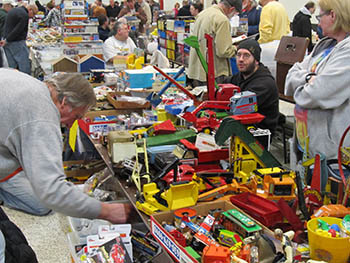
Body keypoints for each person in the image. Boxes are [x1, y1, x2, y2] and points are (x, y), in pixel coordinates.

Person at [0, 69, 132, 261]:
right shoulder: (42, 114)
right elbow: (52, 190)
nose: (72, 126)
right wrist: (107, 211)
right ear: (64, 103)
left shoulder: (32, 86)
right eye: (77, 117)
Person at [285, 0, 350, 163]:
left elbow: (317, 93)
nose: (318, 21)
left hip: (330, 155)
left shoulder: (347, 52)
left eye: (320, 15)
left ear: (333, 15)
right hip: (305, 145)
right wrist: (308, 78)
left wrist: (300, 87)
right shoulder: (324, 44)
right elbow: (290, 76)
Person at [222, 39, 279, 135]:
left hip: (259, 131)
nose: (241, 59)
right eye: (239, 55)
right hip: (241, 125)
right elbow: (223, 87)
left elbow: (239, 108)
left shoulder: (265, 84)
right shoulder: (240, 77)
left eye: (246, 55)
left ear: (256, 60)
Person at [187, 0, 242, 87]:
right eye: (235, 13)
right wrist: (237, 48)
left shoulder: (203, 14)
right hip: (214, 72)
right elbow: (223, 51)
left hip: (198, 70)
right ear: (231, 9)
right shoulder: (222, 20)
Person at [0, 3, 38, 75]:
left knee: (12, 67)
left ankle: (13, 81)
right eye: (33, 14)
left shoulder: (13, 10)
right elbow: (18, 30)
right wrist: (7, 40)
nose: (33, 17)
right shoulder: (24, 15)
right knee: (24, 66)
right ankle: (26, 82)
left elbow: (7, 26)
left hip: (7, 41)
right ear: (30, 10)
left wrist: (5, 40)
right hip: (16, 42)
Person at [0, 0, 16, 67]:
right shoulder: (5, 16)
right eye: (11, 6)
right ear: (7, 5)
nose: (12, 8)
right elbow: (4, 30)